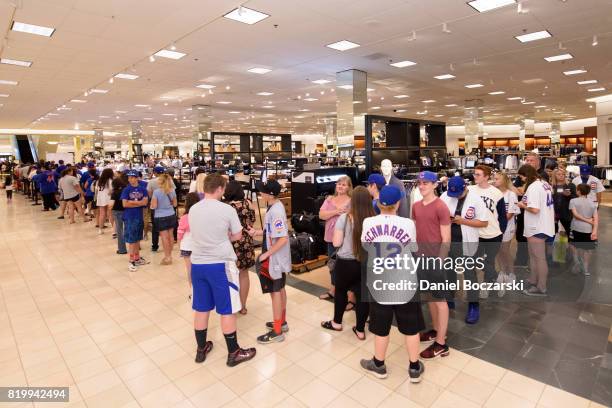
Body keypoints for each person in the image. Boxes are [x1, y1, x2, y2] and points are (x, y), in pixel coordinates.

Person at [359, 184, 425, 383]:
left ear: (378, 203)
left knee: (381, 326)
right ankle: (414, 367)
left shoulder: (368, 222)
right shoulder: (408, 224)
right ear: (398, 203)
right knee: (411, 327)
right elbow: (413, 247)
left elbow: (366, 246)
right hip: (404, 282)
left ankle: (379, 364)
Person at [188, 172, 256, 366]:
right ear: (219, 189)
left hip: (198, 264)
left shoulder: (193, 209)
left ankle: (201, 349)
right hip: (220, 264)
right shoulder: (226, 210)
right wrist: (224, 235)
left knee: (201, 308)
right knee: (226, 309)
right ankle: (233, 352)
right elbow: (237, 236)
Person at [321, 186, 373, 340]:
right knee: (363, 296)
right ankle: (360, 329)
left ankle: (337, 322)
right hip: (365, 263)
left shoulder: (345, 218)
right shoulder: (374, 219)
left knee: (341, 291)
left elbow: (336, 242)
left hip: (345, 263)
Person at [411, 171, 452, 357]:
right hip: (419, 258)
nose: (421, 186)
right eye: (420, 183)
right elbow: (414, 232)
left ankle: (442, 344)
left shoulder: (441, 207)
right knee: (429, 297)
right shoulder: (416, 206)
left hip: (435, 260)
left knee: (440, 300)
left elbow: (446, 239)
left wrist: (439, 262)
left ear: (435, 185)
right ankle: (436, 330)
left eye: (426, 183)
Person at [247, 179, 291, 344]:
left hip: (275, 259)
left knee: (275, 292)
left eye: (262, 191)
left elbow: (282, 239)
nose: (260, 193)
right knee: (279, 289)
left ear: (270, 195)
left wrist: (266, 255)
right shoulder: (273, 207)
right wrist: (257, 232)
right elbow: (271, 231)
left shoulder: (276, 212)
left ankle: (277, 330)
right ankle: (282, 322)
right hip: (275, 257)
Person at [466, 165, 507, 323]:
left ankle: (490, 284)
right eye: (474, 174)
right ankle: (497, 279)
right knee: (475, 262)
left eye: (478, 174)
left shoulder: (496, 193)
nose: (474, 176)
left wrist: (501, 232)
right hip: (475, 234)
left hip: (492, 234)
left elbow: (502, 216)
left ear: (486, 176)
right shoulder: (470, 189)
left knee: (488, 262)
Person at [517, 165, 555, 296]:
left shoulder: (534, 187)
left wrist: (522, 205)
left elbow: (534, 209)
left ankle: (541, 287)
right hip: (542, 224)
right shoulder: (544, 184)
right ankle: (533, 279)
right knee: (533, 256)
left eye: (521, 177)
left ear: (526, 175)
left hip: (537, 226)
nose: (521, 180)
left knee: (539, 258)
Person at [223, 181, 256, 315]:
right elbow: (252, 221)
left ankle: (231, 305)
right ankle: (243, 306)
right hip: (246, 242)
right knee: (244, 274)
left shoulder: (226, 207)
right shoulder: (248, 203)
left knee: (229, 276)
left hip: (230, 243)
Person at [318, 176, 353, 301]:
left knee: (347, 267)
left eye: (344, 184)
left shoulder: (351, 201)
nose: (340, 186)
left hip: (346, 240)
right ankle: (333, 290)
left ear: (349, 187)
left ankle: (350, 296)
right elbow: (321, 215)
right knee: (332, 265)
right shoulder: (329, 199)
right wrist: (335, 211)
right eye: (339, 184)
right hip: (330, 238)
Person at [494, 172, 520, 294]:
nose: (494, 180)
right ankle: (502, 272)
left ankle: (512, 273)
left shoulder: (511, 195)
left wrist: (500, 223)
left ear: (504, 180)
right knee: (498, 251)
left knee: (505, 250)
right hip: (495, 228)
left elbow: (510, 213)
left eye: (497, 179)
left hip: (507, 227)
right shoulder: (495, 193)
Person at [121, 170, 150, 272]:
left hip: (139, 217)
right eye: (129, 177)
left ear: (137, 178)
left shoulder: (143, 189)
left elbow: (145, 202)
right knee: (132, 240)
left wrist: (132, 202)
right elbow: (125, 204)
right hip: (129, 217)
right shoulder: (126, 190)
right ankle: (131, 260)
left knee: (137, 238)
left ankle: (137, 258)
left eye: (132, 177)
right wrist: (139, 202)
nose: (130, 179)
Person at [569, 184, 598, 276]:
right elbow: (596, 219)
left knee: (573, 245)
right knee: (588, 249)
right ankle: (585, 269)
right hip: (588, 229)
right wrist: (594, 231)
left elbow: (575, 215)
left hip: (575, 227)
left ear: (578, 191)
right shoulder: (593, 203)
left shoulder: (573, 201)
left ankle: (577, 261)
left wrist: (588, 221)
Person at [150, 173, 178, 265]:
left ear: (161, 182)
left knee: (164, 238)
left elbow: (154, 206)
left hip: (160, 216)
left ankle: (167, 257)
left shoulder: (156, 192)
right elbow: (175, 204)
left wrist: (151, 205)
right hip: (171, 215)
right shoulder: (172, 190)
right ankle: (170, 255)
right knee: (171, 236)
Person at [178, 192, 200, 298]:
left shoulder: (184, 217)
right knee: (200, 268)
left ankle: (193, 291)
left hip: (186, 246)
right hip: (199, 246)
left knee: (190, 269)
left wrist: (179, 242)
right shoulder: (201, 215)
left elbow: (180, 233)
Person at [551, 168, 576, 236]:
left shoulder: (570, 185)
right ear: (554, 176)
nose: (561, 176)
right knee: (553, 232)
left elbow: (576, 199)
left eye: (563, 174)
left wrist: (569, 195)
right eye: (559, 174)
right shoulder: (551, 186)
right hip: (554, 213)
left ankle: (569, 245)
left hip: (566, 213)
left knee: (568, 232)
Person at [147, 165, 166, 252]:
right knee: (167, 227)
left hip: (155, 206)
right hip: (166, 206)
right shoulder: (168, 181)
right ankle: (167, 244)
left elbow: (149, 194)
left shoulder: (151, 182)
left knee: (155, 227)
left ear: (155, 173)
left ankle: (155, 246)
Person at [110, 177, 127, 255]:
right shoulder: (126, 190)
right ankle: (136, 246)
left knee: (119, 230)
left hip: (117, 211)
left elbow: (111, 204)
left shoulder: (115, 192)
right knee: (129, 228)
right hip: (127, 210)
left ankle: (122, 249)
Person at [95, 168, 114, 235]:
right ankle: (114, 229)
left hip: (100, 198)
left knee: (102, 214)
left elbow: (96, 190)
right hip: (108, 198)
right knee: (110, 214)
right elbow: (111, 190)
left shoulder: (99, 181)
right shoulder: (110, 180)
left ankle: (100, 229)